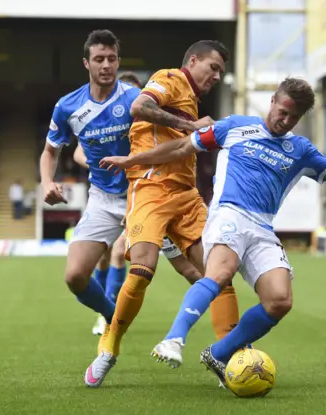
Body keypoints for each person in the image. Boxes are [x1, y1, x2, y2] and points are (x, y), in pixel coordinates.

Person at [100, 77, 326, 384]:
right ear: (273, 100)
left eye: (293, 117)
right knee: (219, 273)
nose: (284, 120)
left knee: (280, 300)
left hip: (262, 227)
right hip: (228, 214)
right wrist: (134, 160)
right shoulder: (234, 126)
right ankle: (173, 339)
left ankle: (218, 354)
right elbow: (180, 146)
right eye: (282, 111)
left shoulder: (300, 149)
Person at [84, 40, 242, 388]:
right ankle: (109, 346)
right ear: (194, 60)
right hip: (151, 188)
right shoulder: (169, 78)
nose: (216, 76)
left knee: (219, 273)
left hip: (186, 196)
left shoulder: (192, 97)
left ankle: (228, 358)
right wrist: (191, 125)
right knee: (141, 269)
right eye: (212, 68)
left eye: (221, 72)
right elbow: (140, 106)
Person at [39, 30, 139, 346]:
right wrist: (47, 182)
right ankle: (113, 318)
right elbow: (49, 151)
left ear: (118, 61)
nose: (106, 65)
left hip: (143, 195)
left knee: (196, 271)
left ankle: (232, 345)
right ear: (87, 63)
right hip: (102, 199)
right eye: (99, 59)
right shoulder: (68, 107)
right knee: (75, 276)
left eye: (111, 58)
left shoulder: (136, 99)